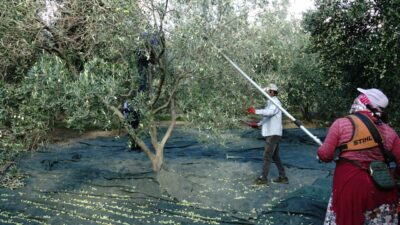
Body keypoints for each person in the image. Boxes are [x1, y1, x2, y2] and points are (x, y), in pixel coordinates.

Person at [317, 88, 400, 225]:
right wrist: (394, 175)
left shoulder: (341, 124)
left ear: (363, 102)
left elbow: (325, 155)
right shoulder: (389, 131)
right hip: (382, 188)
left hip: (350, 190)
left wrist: (320, 151)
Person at [247, 83, 288, 185]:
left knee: (267, 156)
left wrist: (255, 111)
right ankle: (283, 177)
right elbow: (267, 117)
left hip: (273, 134)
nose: (267, 93)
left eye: (269, 91)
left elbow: (270, 112)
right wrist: (258, 124)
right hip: (272, 133)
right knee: (275, 156)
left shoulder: (276, 102)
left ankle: (263, 178)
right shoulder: (269, 103)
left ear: (273, 92)